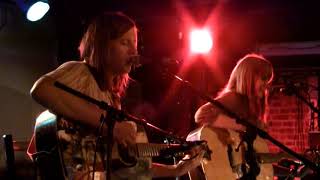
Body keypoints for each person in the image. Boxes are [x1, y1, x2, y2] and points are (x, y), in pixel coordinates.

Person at [30, 11, 204, 179]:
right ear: (103, 45)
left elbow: (122, 168)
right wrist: (110, 126)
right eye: (124, 42)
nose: (133, 50)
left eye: (134, 43)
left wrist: (176, 169)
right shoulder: (81, 71)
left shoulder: (113, 98)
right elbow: (41, 90)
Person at [189, 54, 274, 180]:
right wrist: (245, 126)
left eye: (267, 80)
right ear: (248, 77)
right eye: (263, 78)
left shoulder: (249, 104)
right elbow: (201, 115)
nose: (266, 84)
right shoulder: (234, 98)